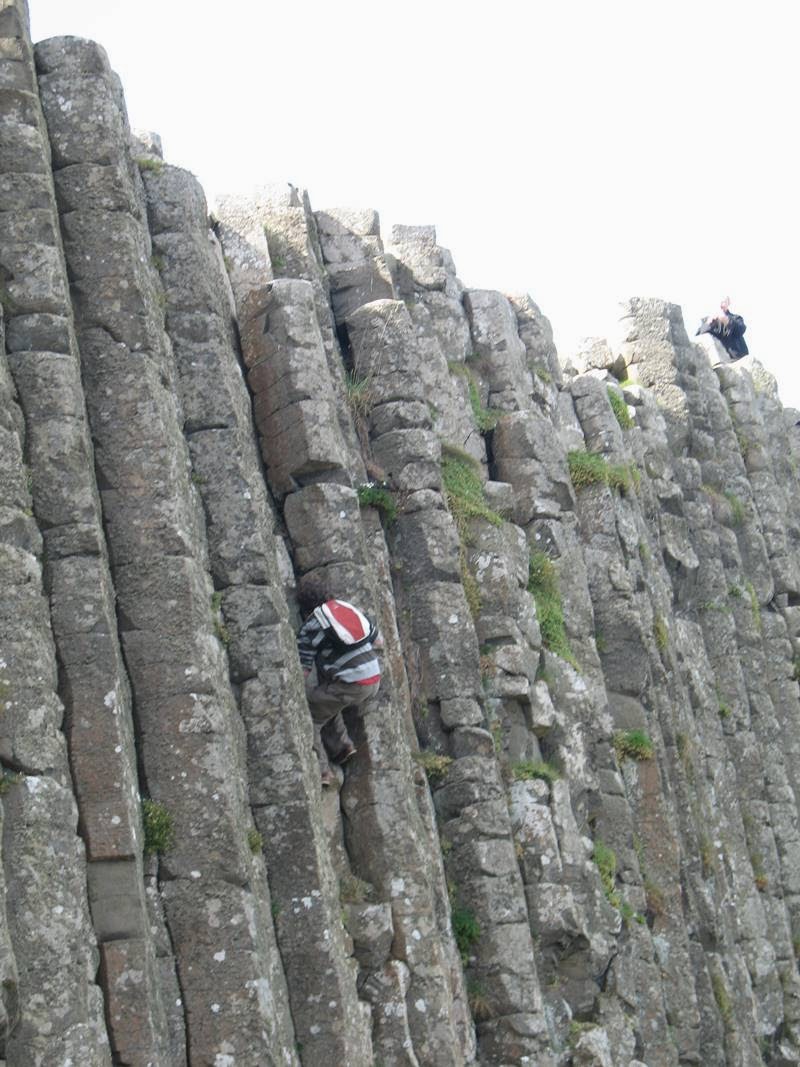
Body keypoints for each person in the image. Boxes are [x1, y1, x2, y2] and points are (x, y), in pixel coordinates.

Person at [296, 583, 383, 787]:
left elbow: (304, 669)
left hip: (352, 684)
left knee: (309, 713)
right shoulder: (344, 609)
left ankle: (322, 771)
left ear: (305, 609)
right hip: (374, 678)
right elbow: (378, 641)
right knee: (325, 699)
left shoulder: (312, 625)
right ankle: (342, 747)